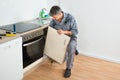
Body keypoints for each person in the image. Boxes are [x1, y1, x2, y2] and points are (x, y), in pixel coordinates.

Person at [49, 5, 78, 78]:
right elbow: (50, 27)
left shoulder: (70, 18)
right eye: (53, 17)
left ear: (60, 14)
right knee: (53, 43)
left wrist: (64, 32)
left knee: (71, 47)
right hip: (59, 38)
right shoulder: (54, 19)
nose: (53, 18)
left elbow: (75, 32)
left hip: (70, 37)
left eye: (55, 17)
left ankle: (68, 68)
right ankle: (57, 57)